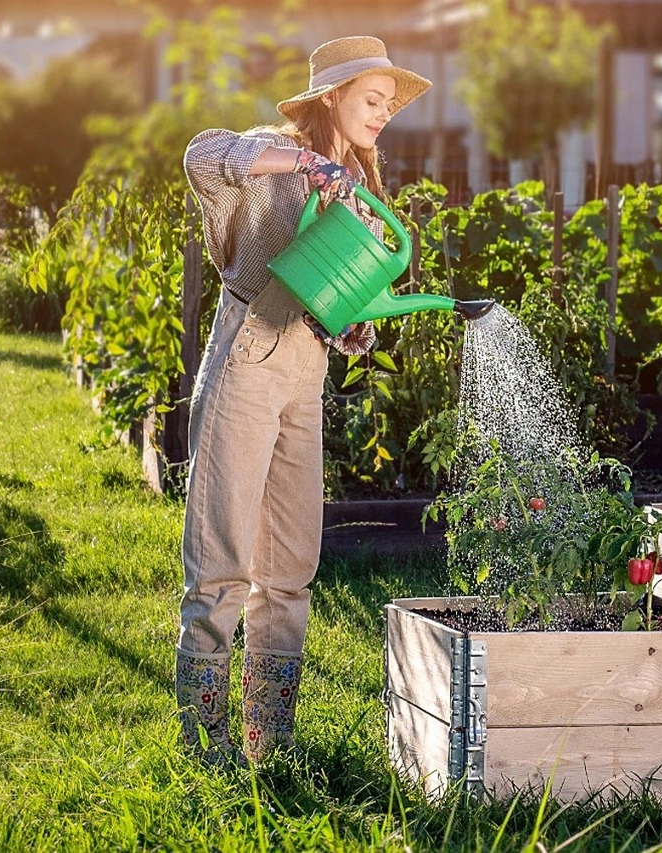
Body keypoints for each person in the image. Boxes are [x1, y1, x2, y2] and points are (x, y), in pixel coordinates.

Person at [175, 36, 431, 766]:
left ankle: (268, 741)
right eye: (371, 101)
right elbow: (201, 156)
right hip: (247, 358)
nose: (382, 116)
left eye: (388, 105)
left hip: (304, 373)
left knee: (290, 566)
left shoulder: (360, 188)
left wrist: (352, 327)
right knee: (221, 555)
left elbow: (342, 317)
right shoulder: (272, 156)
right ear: (332, 98)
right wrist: (309, 163)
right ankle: (203, 745)